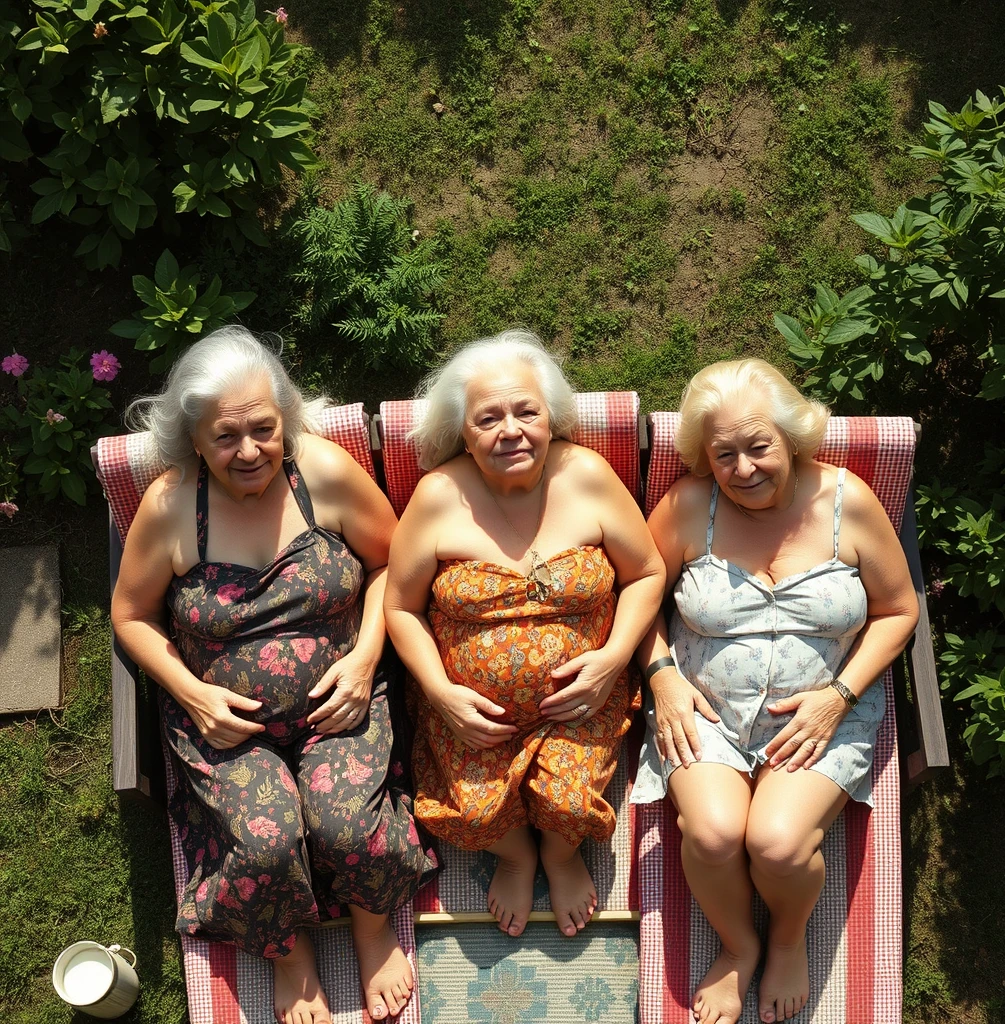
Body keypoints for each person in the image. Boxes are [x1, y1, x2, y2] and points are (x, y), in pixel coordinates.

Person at [110, 328, 438, 1024]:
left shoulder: (322, 473)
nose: (251, 450)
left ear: (285, 418)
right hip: (228, 726)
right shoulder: (172, 507)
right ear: (192, 438)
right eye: (226, 436)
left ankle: (372, 930)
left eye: (265, 428)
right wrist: (194, 696)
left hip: (339, 703)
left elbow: (390, 566)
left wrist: (363, 661)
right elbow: (132, 616)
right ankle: (290, 954)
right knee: (264, 841)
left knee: (345, 826)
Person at [631, 358, 919, 1024]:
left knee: (779, 844)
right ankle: (740, 945)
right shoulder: (686, 508)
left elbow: (899, 610)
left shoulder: (848, 503)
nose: (743, 468)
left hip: (820, 711)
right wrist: (660, 673)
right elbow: (636, 598)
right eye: (723, 454)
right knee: (710, 833)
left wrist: (839, 695)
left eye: (758, 447)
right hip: (702, 709)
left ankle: (788, 936)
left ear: (792, 436)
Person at [384, 329, 665, 939]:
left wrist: (613, 661)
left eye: (526, 411)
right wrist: (440, 692)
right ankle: (516, 856)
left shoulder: (586, 475)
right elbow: (400, 608)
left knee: (567, 805)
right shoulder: (437, 497)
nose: (510, 429)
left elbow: (646, 573)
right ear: (463, 431)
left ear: (551, 418)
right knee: (476, 811)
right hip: (471, 713)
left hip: (581, 701)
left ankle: (561, 857)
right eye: (488, 418)